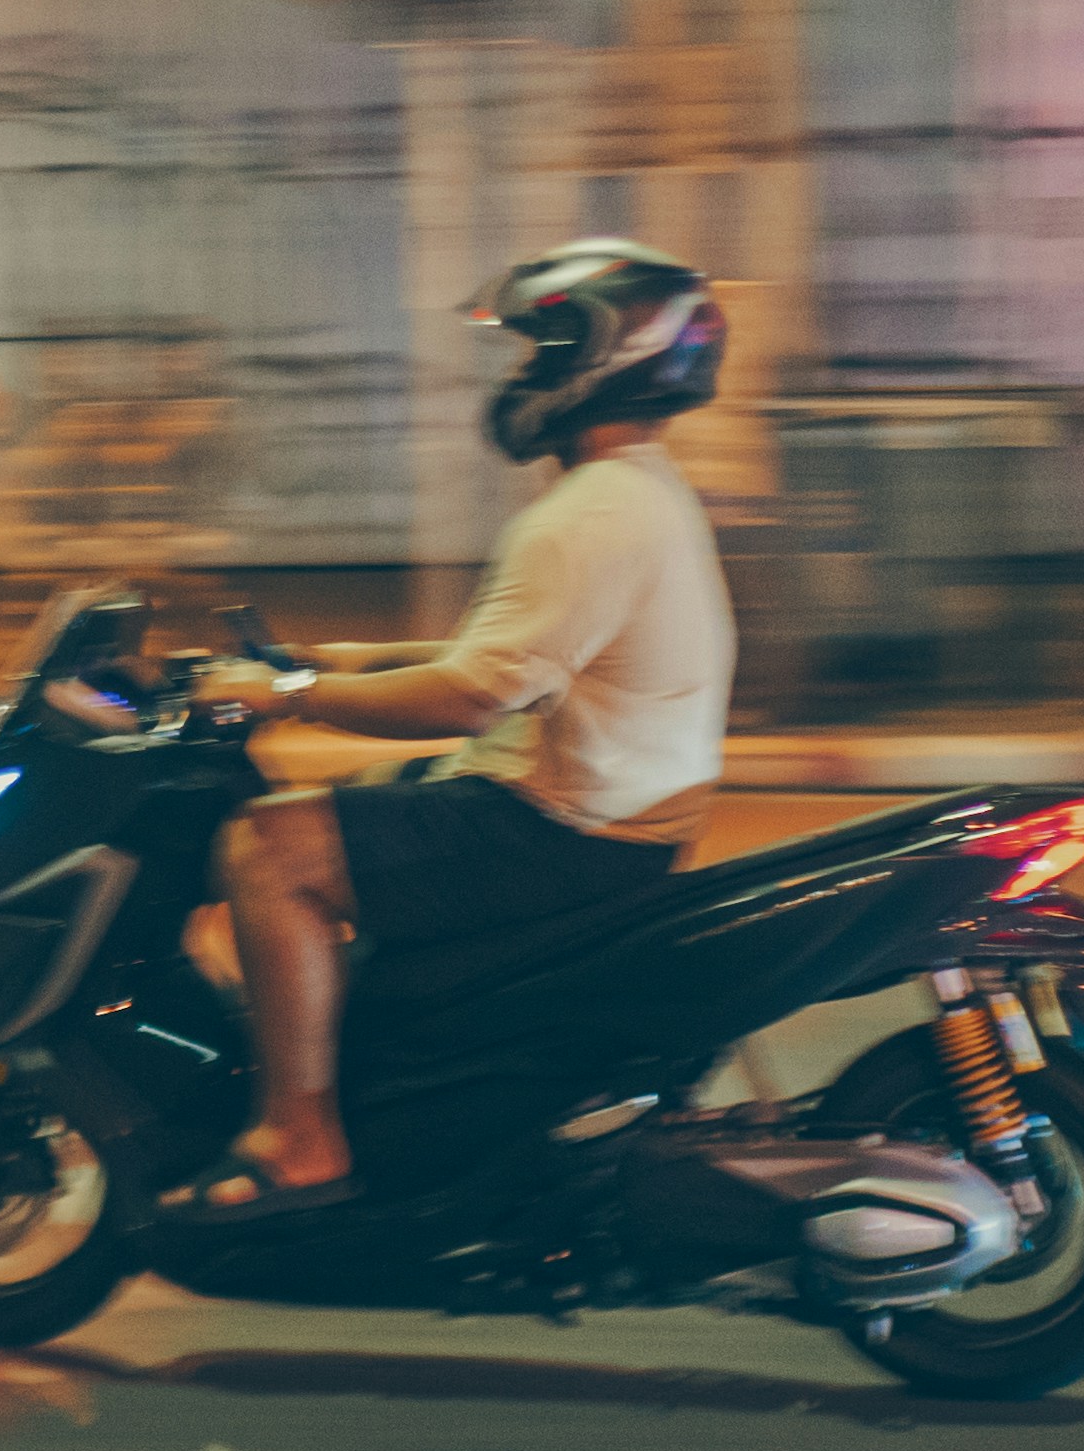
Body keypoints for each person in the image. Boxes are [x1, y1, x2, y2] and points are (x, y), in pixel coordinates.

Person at [163, 239, 736, 1226]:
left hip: (562, 830)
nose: (524, 375)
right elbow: (511, 655)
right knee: (360, 815)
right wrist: (332, 660)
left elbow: (468, 697)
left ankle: (300, 1138)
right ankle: (367, 1075)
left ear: (597, 358)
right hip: (606, 815)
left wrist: (291, 696)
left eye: (541, 350)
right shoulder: (640, 494)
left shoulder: (588, 514)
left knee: (267, 847)